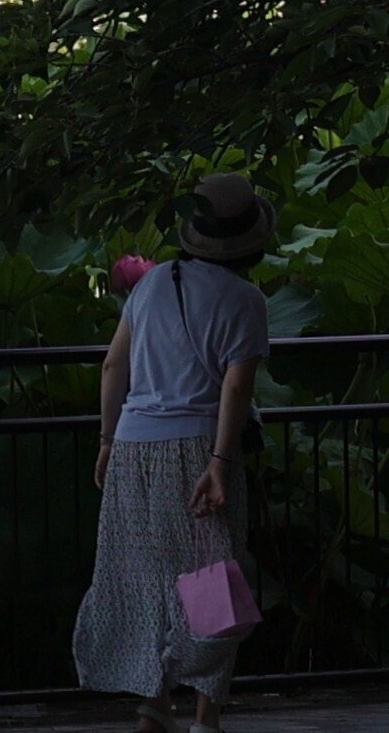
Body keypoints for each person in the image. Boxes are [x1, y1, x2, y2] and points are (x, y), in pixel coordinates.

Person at [75, 177, 275, 731]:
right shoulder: (246, 300)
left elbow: (114, 366)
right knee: (213, 579)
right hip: (197, 448)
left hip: (134, 447)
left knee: (150, 578)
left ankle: (153, 707)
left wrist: (108, 440)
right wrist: (220, 462)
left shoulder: (152, 282)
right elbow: (235, 389)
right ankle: (206, 715)